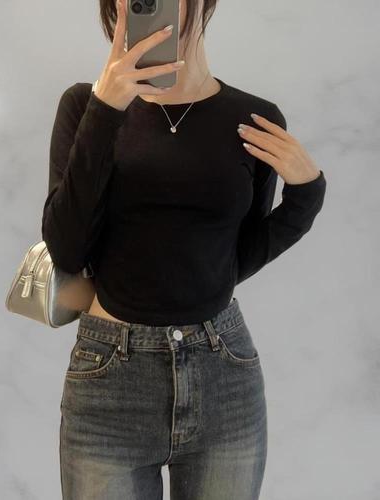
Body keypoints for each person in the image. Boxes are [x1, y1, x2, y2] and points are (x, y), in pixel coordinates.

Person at [41, 1, 327, 498]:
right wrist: (105, 111)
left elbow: (236, 257)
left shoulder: (253, 119)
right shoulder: (85, 105)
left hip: (223, 374)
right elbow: (66, 248)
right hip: (110, 374)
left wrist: (307, 195)